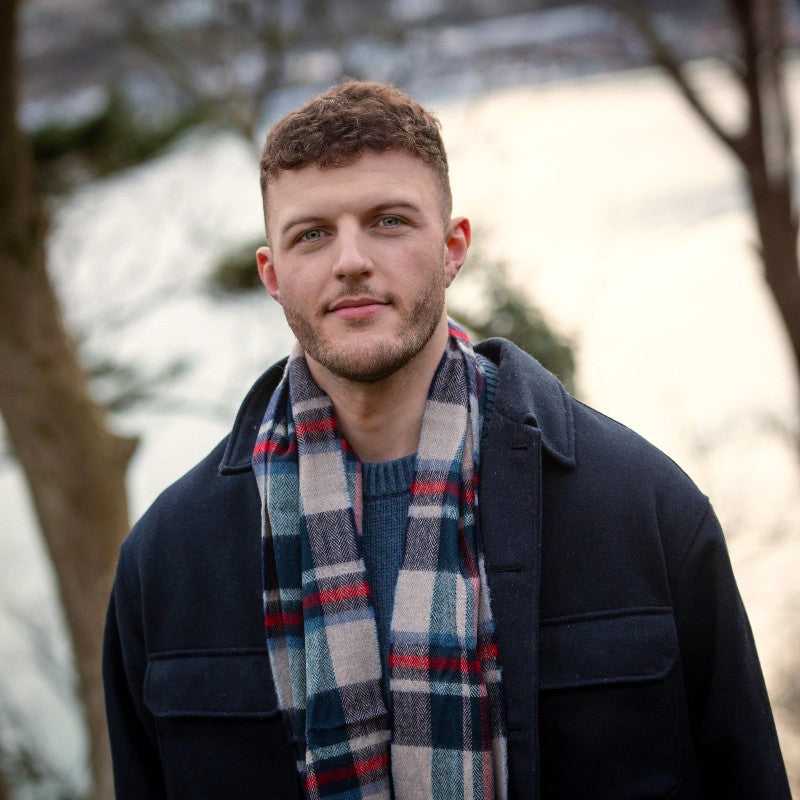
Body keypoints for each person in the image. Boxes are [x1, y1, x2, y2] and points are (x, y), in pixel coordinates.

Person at [103, 80, 791, 800]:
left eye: (389, 221)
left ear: (453, 248)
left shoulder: (642, 510)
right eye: (312, 234)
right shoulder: (166, 562)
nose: (350, 261)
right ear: (273, 275)